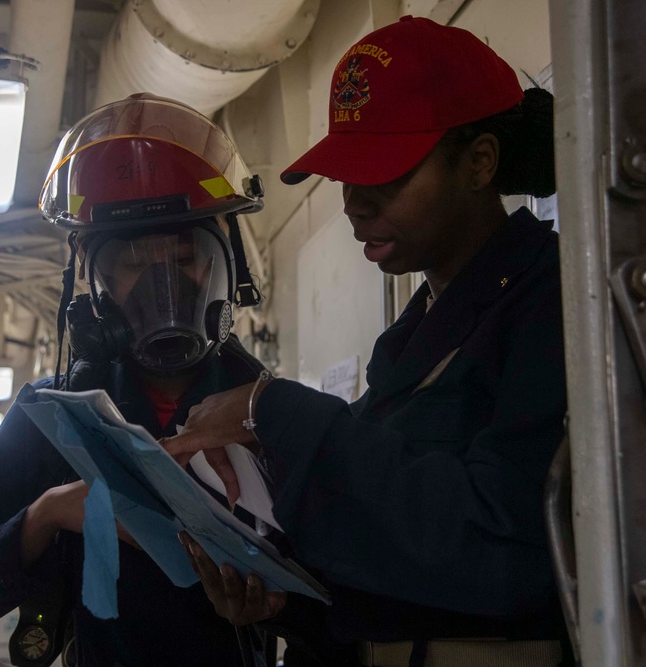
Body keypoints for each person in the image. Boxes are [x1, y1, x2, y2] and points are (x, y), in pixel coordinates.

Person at [162, 16, 571, 667]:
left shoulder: (550, 303)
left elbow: (505, 553)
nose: (354, 201)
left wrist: (275, 409)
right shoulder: (410, 342)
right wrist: (282, 598)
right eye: (347, 174)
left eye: (386, 172)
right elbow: (398, 565)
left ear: (479, 163)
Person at [0, 95, 281, 667]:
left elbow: (342, 607)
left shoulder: (267, 414)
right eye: (135, 261)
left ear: (229, 267)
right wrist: (47, 513)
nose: (163, 285)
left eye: (184, 254)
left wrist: (273, 609)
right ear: (96, 285)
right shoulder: (52, 419)